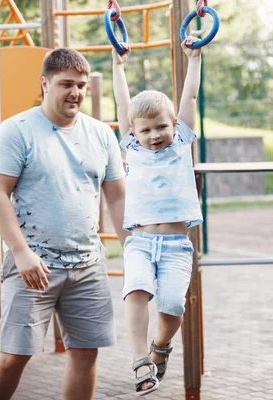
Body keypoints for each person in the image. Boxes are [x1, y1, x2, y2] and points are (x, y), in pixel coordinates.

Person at [0, 47, 127, 400]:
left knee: (85, 353)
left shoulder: (101, 134)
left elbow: (118, 198)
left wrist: (134, 253)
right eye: (66, 84)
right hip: (33, 265)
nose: (75, 92)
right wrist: (20, 253)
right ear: (44, 84)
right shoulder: (15, 131)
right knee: (14, 355)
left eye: (81, 85)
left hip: (88, 264)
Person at [111, 36, 203, 396]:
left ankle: (160, 347)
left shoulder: (181, 145)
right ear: (134, 133)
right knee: (135, 290)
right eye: (145, 130)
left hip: (177, 245)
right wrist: (119, 66)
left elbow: (190, 98)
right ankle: (139, 360)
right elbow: (122, 102)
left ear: (174, 125)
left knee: (172, 306)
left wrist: (193, 59)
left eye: (161, 127)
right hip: (140, 242)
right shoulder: (132, 149)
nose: (154, 135)